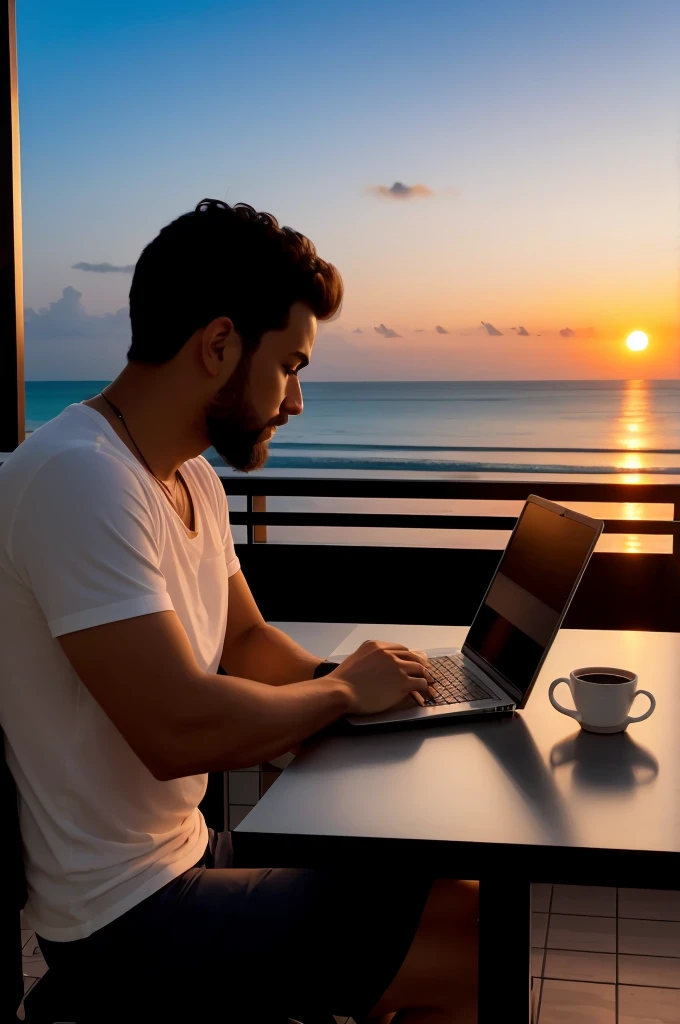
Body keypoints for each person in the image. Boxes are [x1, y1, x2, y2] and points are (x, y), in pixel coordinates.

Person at [0, 199, 477, 1023]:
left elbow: (247, 641)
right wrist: (338, 696)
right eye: (290, 366)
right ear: (219, 345)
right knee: (468, 939)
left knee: (455, 895)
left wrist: (372, 685)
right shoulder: (77, 478)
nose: (296, 402)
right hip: (121, 917)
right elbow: (176, 729)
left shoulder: (190, 478)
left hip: (185, 859)